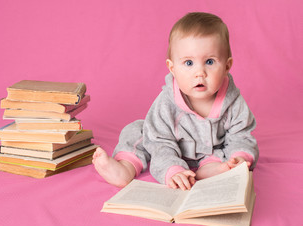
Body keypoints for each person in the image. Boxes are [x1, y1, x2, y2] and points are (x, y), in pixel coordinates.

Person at [93, 12, 259, 190]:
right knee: (138, 130)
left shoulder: (233, 102)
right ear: (172, 68)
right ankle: (125, 168)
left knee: (225, 155)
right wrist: (172, 169)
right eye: (189, 63)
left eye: (209, 61)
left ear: (227, 66)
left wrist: (240, 157)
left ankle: (214, 170)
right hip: (169, 148)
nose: (200, 73)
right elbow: (160, 142)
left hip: (211, 154)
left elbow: (241, 135)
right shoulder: (167, 103)